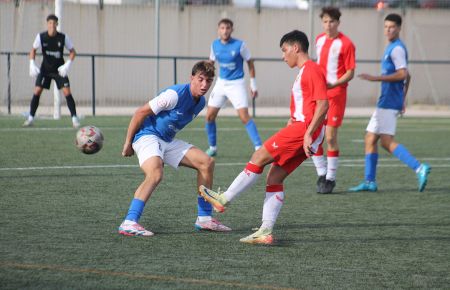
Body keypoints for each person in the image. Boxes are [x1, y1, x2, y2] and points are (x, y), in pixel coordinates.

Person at [199, 30, 329, 245]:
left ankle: (224, 199)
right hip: (305, 130)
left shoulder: (311, 69)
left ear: (296, 48)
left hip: (303, 131)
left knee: (259, 156)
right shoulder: (304, 71)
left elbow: (323, 104)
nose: (283, 55)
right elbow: (310, 105)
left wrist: (306, 132)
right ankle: (265, 231)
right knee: (274, 178)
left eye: (284, 50)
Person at [118, 61, 231, 237]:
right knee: (155, 174)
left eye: (208, 81)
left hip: (167, 140)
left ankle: (204, 219)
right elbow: (140, 112)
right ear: (192, 78)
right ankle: (129, 222)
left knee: (206, 163)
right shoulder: (174, 94)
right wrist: (128, 143)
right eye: (200, 79)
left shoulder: (200, 102)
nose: (204, 85)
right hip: (147, 136)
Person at [349, 13, 431, 193]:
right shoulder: (392, 47)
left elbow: (402, 74)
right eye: (386, 27)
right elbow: (407, 75)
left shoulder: (397, 49)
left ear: (399, 28)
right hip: (387, 101)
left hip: (388, 102)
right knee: (370, 138)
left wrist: (375, 78)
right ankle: (370, 182)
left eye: (392, 27)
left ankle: (419, 167)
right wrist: (403, 99)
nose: (388, 30)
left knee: (386, 142)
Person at [312, 7, 356, 194]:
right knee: (314, 135)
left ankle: (330, 178)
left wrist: (334, 84)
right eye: (325, 21)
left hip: (336, 94)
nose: (328, 25)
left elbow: (350, 72)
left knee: (330, 137)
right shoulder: (319, 40)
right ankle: (321, 173)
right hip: (319, 94)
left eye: (332, 21)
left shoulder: (346, 44)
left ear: (338, 22)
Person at [204, 18, 262, 157]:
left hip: (237, 84)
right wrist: (205, 77)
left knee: (244, 117)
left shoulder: (240, 45)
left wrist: (253, 84)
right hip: (221, 83)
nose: (225, 31)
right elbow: (211, 63)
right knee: (209, 116)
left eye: (227, 28)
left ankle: (259, 147)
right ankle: (213, 148)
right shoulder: (214, 45)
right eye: (222, 28)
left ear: (232, 29)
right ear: (218, 29)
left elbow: (250, 63)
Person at [24, 14, 80, 128]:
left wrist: (68, 64)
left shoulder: (63, 37)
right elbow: (33, 50)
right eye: (50, 23)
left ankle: (74, 119)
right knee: (37, 91)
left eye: (54, 23)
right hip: (45, 69)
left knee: (67, 93)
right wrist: (31, 63)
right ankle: (30, 118)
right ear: (47, 24)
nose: (52, 26)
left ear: (57, 24)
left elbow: (73, 52)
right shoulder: (41, 37)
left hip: (59, 70)